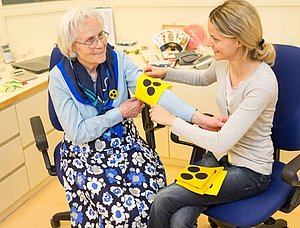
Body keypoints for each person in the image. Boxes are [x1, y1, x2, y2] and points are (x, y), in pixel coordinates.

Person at [48, 7, 225, 227]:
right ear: (71, 48)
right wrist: (119, 113)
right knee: (123, 216)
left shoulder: (117, 60)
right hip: (85, 155)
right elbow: (78, 132)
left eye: (102, 34)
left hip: (126, 144)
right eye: (90, 40)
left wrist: (198, 118)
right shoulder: (59, 79)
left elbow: (154, 91)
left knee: (157, 202)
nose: (101, 43)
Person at [143, 0, 278, 227]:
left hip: (250, 172)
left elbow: (221, 141)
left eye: (215, 39)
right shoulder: (226, 62)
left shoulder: (262, 83)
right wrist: (165, 72)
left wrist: (171, 120)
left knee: (164, 199)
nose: (208, 43)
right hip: (222, 158)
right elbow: (201, 78)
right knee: (179, 219)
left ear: (238, 40)